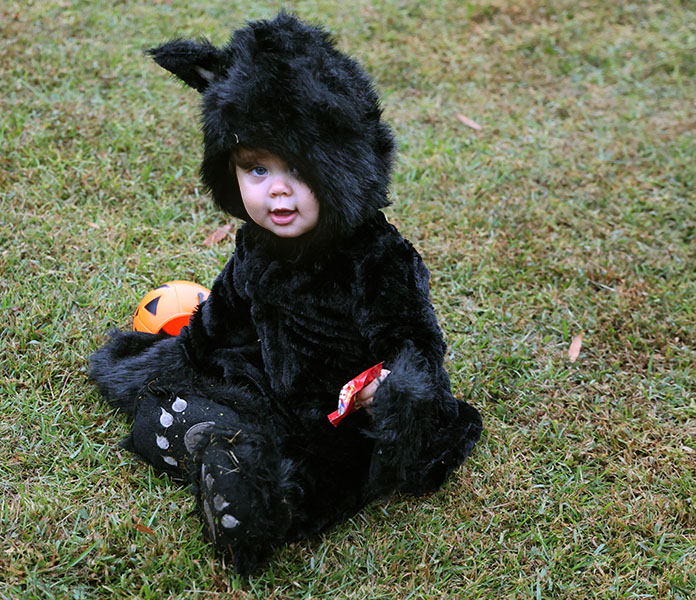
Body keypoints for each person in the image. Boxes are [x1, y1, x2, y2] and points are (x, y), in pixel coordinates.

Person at [88, 12, 482, 575]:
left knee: (325, 477)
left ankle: (255, 500)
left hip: (342, 416)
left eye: (297, 168)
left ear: (341, 167)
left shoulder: (376, 257)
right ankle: (217, 446)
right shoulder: (256, 244)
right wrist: (175, 358)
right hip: (269, 382)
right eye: (256, 169)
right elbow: (221, 311)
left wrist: (397, 390)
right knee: (170, 401)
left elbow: (415, 343)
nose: (277, 190)